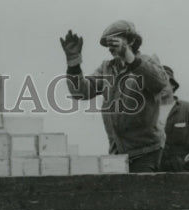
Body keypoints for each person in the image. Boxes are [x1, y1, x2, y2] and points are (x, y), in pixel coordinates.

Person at [61, 19, 169, 172]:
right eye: (108, 43)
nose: (111, 47)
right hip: (118, 154)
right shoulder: (107, 68)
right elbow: (81, 92)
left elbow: (160, 83)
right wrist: (73, 63)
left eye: (116, 40)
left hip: (146, 152)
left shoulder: (147, 62)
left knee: (141, 187)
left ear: (131, 40)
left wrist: (129, 57)